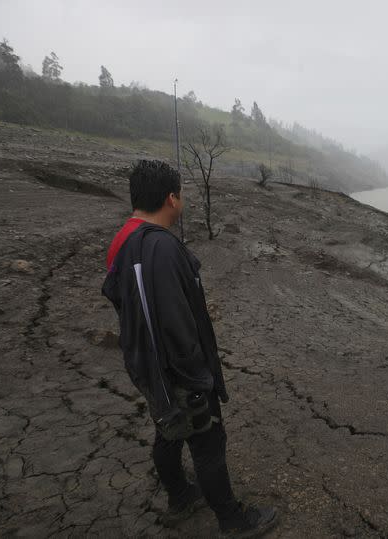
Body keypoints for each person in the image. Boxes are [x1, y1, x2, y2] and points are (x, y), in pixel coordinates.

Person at [102, 160, 277, 536]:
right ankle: (232, 521)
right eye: (182, 194)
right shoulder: (161, 248)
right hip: (177, 372)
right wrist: (198, 376)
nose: (184, 201)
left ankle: (180, 496)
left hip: (148, 367)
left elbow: (117, 297)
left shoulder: (124, 242)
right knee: (208, 442)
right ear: (171, 198)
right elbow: (174, 320)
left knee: (168, 429)